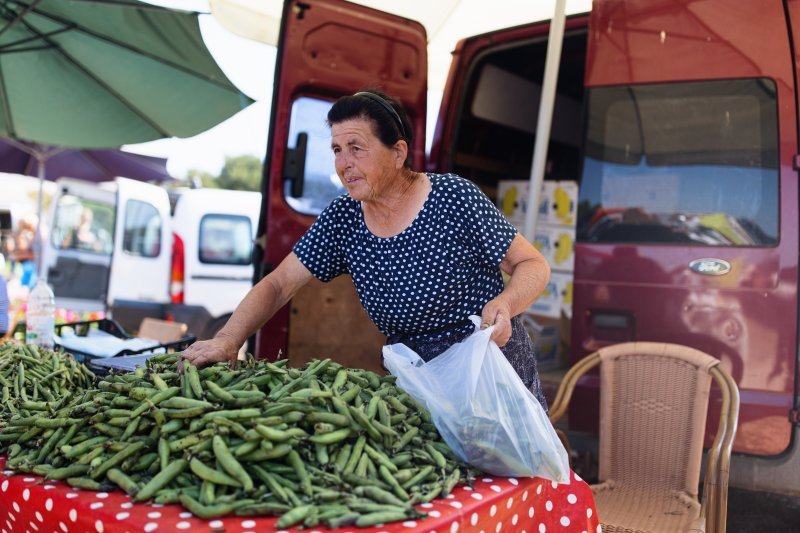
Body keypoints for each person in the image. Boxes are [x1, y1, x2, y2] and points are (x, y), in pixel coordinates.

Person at [181, 89, 552, 409]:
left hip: (490, 375)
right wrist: (229, 339)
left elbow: (533, 264)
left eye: (357, 148)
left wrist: (505, 305)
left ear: (398, 152)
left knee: (509, 484)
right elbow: (279, 284)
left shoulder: (453, 198)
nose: (344, 164)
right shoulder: (344, 218)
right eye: (337, 150)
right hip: (416, 386)